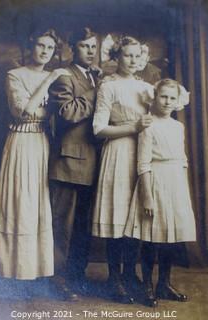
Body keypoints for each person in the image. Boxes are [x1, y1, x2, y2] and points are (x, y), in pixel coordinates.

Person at [0, 29, 70, 295]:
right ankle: (15, 271)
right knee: (21, 200)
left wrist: (42, 96)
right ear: (31, 46)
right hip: (21, 142)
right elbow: (23, 111)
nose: (45, 51)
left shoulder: (57, 77)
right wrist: (49, 79)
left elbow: (50, 113)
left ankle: (39, 270)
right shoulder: (15, 75)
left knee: (40, 203)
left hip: (43, 143)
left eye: (50, 47)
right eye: (40, 45)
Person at [92, 36, 153, 303]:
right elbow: (98, 129)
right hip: (117, 152)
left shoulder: (147, 87)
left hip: (143, 154)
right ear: (117, 57)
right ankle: (114, 279)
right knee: (117, 214)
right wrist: (133, 128)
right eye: (127, 55)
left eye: (136, 55)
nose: (132, 60)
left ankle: (130, 274)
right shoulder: (109, 86)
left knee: (136, 217)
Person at [125, 79, 196, 307]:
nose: (167, 102)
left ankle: (163, 284)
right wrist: (147, 196)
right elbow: (143, 163)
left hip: (175, 184)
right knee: (151, 238)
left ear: (178, 101)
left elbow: (182, 160)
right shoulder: (149, 126)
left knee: (171, 238)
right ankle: (147, 286)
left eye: (172, 98)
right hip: (155, 182)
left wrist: (182, 192)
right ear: (154, 98)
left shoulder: (178, 127)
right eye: (163, 97)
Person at [48, 27, 100, 300]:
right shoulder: (64, 76)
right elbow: (68, 113)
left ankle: (77, 279)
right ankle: (59, 280)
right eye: (85, 46)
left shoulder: (98, 76)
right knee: (63, 227)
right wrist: (96, 91)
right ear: (72, 49)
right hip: (68, 164)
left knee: (84, 226)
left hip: (94, 163)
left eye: (94, 46)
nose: (91, 51)